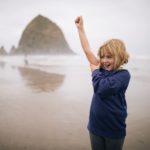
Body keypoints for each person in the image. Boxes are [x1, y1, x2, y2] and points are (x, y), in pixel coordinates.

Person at [75, 16, 131, 150]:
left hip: (113, 129)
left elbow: (102, 88)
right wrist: (80, 29)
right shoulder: (100, 69)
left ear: (120, 57)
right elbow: (87, 50)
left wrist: (94, 72)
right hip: (95, 126)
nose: (104, 60)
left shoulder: (123, 75)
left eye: (109, 57)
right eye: (102, 56)